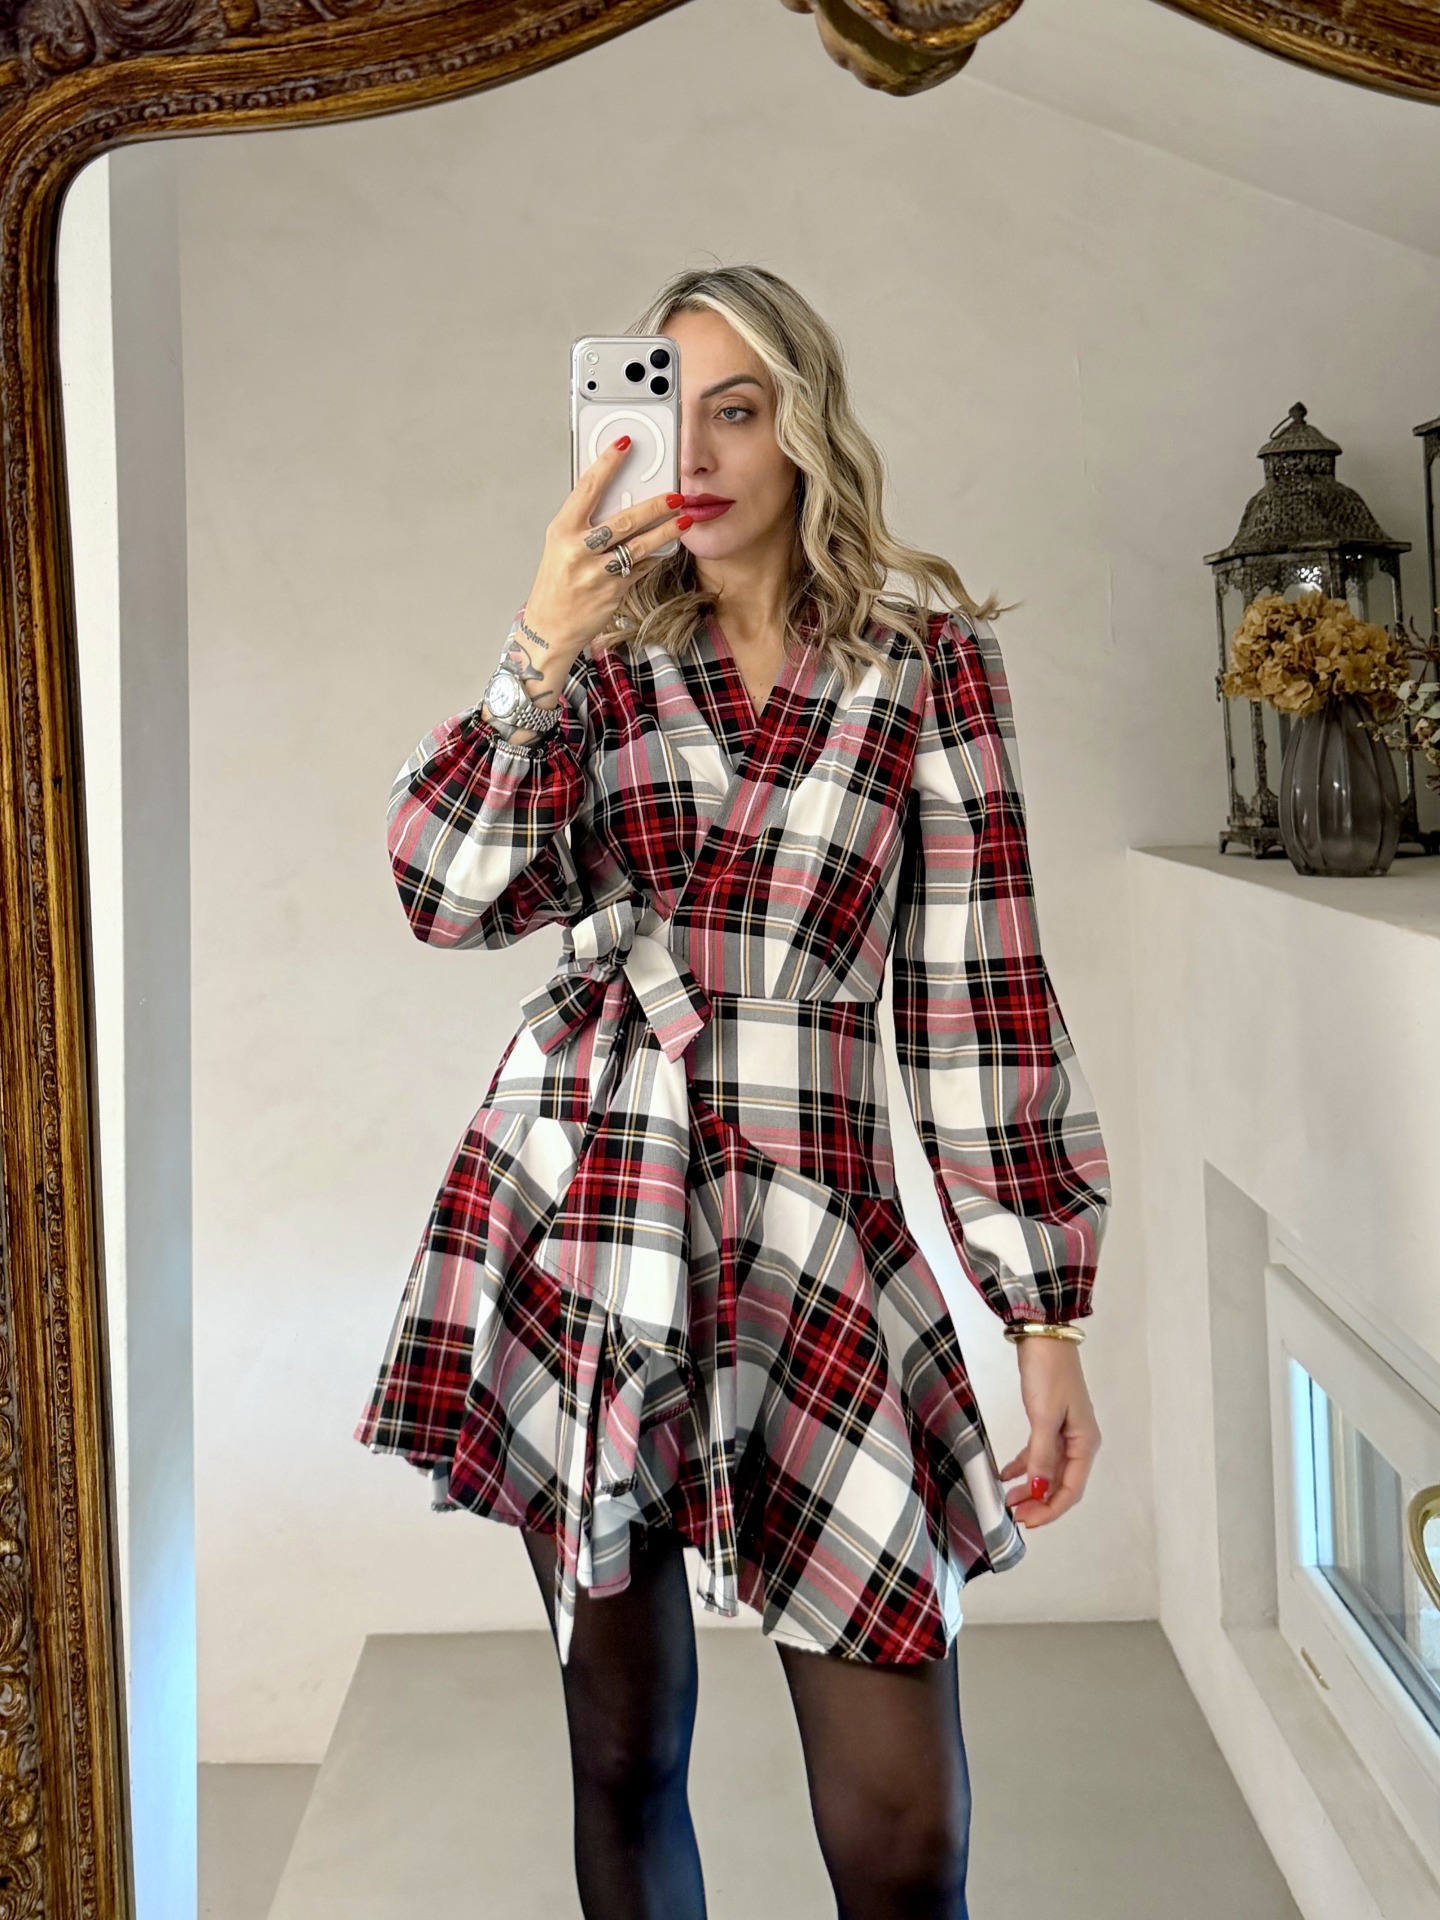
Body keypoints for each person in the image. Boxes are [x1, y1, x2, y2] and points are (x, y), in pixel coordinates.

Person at [358, 264, 1111, 1920]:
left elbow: (982, 992)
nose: (692, 453)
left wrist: (1041, 1313)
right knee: (625, 1758)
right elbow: (440, 893)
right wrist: (536, 647)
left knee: (906, 1840)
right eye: (664, 409)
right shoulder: (593, 665)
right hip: (589, 1212)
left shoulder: (922, 667)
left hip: (815, 1227)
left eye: (739, 409)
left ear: (804, 427)